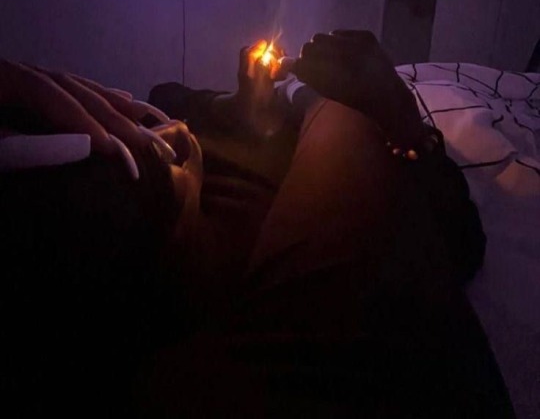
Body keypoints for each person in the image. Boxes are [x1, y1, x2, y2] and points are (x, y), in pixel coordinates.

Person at [0, 32, 515, 418]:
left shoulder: (170, 157)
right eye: (144, 138)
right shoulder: (327, 292)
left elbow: (168, 94)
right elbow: (457, 236)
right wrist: (395, 115)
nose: (155, 126)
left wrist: (238, 105)